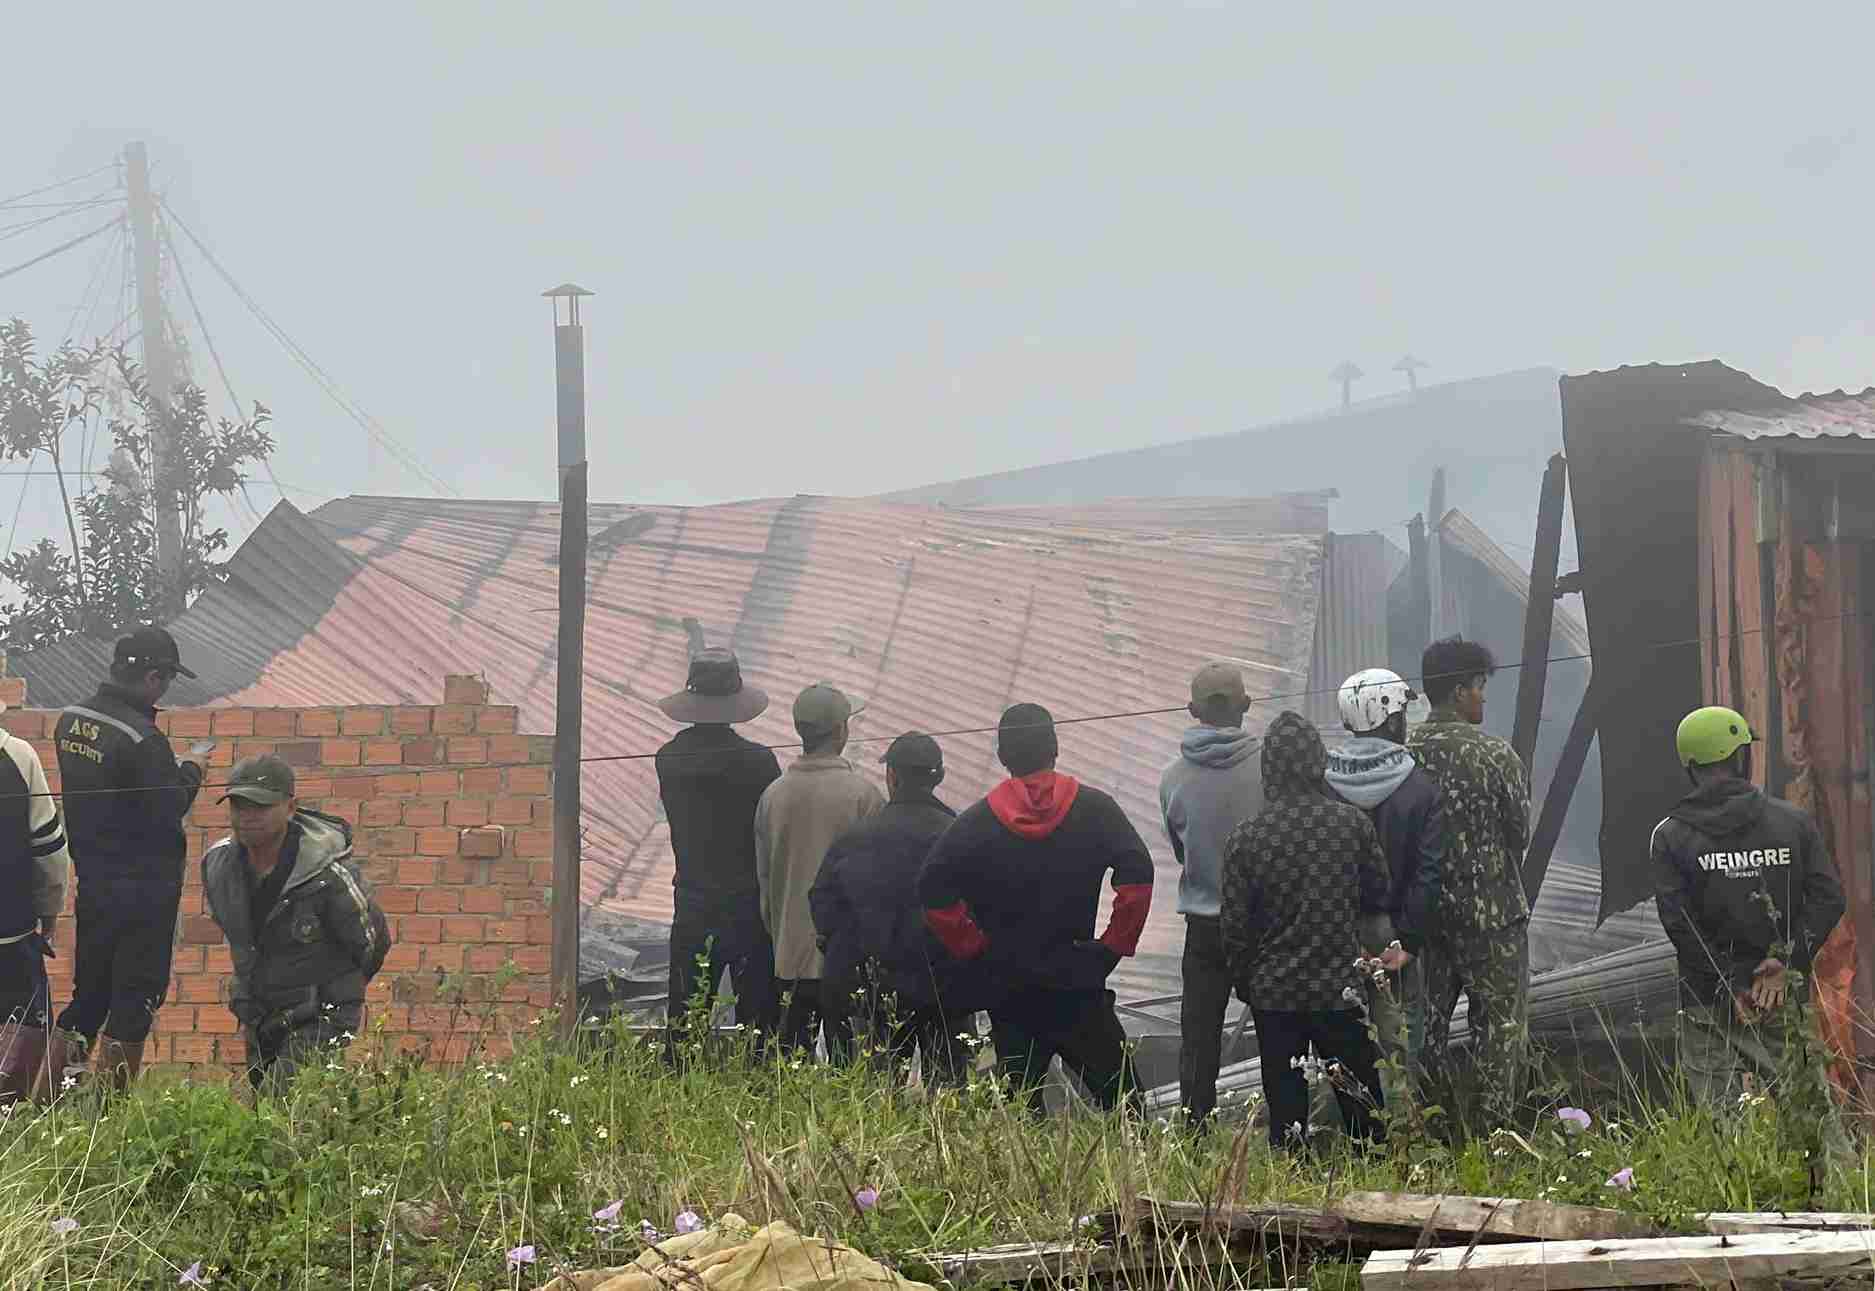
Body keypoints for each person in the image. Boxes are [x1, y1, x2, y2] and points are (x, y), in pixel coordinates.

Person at [920, 703, 1154, 1115]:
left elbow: (932, 891)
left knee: (1019, 1125)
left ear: (1003, 756)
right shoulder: (1096, 809)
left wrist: (975, 950)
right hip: (1078, 983)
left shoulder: (976, 823)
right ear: (1056, 747)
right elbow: (1138, 874)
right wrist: (1111, 948)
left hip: (1011, 992)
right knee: (1128, 1112)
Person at [1651, 706, 1845, 1106]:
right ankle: (1835, 1173)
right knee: (1812, 1120)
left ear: (1690, 765)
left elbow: (1680, 925)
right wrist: (1784, 964)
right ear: (1741, 757)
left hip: (1709, 1004)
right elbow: (1829, 899)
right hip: (1778, 1000)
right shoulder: (1793, 822)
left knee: (1724, 1130)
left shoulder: (1669, 835)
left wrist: (1731, 985)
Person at [1221, 710, 1390, 1149]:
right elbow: (1378, 894)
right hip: (1339, 989)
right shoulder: (1351, 824)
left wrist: (1248, 983)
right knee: (1363, 1106)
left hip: (1276, 996)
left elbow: (1235, 929)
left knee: (1286, 1110)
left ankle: (1290, 1198)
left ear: (1268, 768)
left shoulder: (1245, 837)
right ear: (1317, 761)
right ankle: (1372, 1185)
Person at [46, 627, 205, 1093]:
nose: (165, 690)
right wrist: (194, 767)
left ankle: (55, 1097)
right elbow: (169, 804)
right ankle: (105, 1115)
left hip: (94, 883)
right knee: (134, 999)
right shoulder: (143, 739)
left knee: (89, 996)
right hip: (145, 894)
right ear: (153, 677)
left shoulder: (70, 720)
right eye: (166, 680)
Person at [201, 755, 390, 1093]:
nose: (247, 817)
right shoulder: (219, 867)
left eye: (260, 807)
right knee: (266, 1113)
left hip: (321, 1014)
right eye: (239, 806)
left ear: (290, 808)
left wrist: (337, 992)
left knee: (283, 1099)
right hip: (259, 1013)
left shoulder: (326, 875)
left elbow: (373, 941)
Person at [810, 732, 988, 1082]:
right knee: (948, 1095)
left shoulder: (855, 838)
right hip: (945, 991)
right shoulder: (959, 837)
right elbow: (981, 911)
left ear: (891, 776)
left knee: (874, 1102)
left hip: (873, 992)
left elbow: (823, 906)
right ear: (939, 777)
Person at [1406, 637, 1530, 1115]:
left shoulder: (1402, 753)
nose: (1482, 696)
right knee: (1500, 1029)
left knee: (1427, 1029)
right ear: (1459, 692)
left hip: (1427, 920)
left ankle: (1432, 1128)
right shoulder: (1495, 755)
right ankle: (1496, 1135)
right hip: (1493, 916)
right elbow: (1519, 830)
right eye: (1479, 687)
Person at [1326, 667, 1446, 1105]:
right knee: (1396, 1044)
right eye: (1402, 713)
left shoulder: (1322, 784)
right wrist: (1408, 941)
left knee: (1339, 1043)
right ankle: (1401, 1138)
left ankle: (1345, 1143)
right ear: (1391, 718)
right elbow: (1428, 874)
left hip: (1336, 934)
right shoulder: (1420, 788)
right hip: (1394, 932)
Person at [654, 649, 782, 1046]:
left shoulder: (669, 758)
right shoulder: (759, 762)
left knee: (685, 1017)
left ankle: (678, 1090)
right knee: (760, 1020)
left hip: (693, 898)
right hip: (748, 901)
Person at [1158, 661, 1263, 1128]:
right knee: (1279, 1029)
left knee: (1198, 1038)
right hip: (1265, 923)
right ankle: (1290, 1135)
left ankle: (1195, 1136)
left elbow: (1180, 849)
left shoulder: (1172, 778)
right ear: (1245, 706)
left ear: (1191, 710)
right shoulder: (1270, 767)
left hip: (1204, 926)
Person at [754, 683, 884, 1054]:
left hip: (789, 958)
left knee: (793, 1066)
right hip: (846, 961)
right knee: (851, 1069)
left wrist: (781, 937)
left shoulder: (773, 796)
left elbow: (765, 882)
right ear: (841, 731)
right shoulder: (863, 796)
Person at [0, 717, 70, 1106]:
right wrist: (50, 911)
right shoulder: (16, 755)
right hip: (9, 937)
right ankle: (10, 1134)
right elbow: (49, 852)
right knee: (21, 1036)